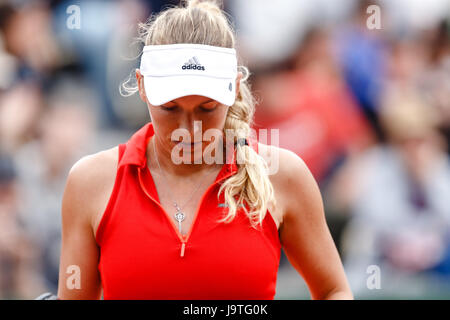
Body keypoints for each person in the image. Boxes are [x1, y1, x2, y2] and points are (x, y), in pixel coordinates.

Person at [56, 0, 352, 300]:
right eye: (170, 108)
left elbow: (333, 291)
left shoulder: (284, 176)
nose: (189, 128)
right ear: (141, 86)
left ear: (235, 88)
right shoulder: (90, 182)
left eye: (206, 108)